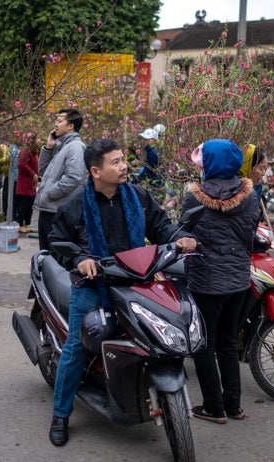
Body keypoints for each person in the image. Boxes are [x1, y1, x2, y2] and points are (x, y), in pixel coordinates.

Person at [46, 138, 197, 446]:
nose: (124, 166)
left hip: (136, 281)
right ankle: (60, 415)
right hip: (93, 286)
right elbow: (58, 240)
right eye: (115, 162)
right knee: (76, 347)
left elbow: (161, 227)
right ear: (95, 171)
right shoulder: (75, 205)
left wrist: (180, 238)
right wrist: (80, 259)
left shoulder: (139, 196)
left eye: (123, 160)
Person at [183, 139, 260, 423]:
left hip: (206, 280)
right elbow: (251, 231)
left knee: (205, 343)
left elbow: (183, 231)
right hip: (239, 280)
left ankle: (214, 408)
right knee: (228, 341)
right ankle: (234, 406)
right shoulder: (250, 195)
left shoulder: (195, 197)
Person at [33, 108, 86, 248]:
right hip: (48, 210)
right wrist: (49, 148)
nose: (55, 124)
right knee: (45, 255)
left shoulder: (75, 147)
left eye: (59, 120)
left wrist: (51, 193)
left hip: (58, 212)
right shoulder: (60, 147)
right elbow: (42, 171)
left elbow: (74, 178)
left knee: (56, 257)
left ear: (70, 126)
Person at [15, 134, 39, 233]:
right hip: (25, 184)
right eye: (38, 139)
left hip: (31, 185)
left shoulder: (34, 153)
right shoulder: (25, 151)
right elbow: (21, 164)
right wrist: (32, 173)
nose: (39, 141)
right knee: (23, 205)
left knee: (30, 205)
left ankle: (27, 224)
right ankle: (20, 224)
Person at [239, 144, 269, 223]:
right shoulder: (236, 189)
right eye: (261, 168)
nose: (263, 173)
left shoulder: (257, 187)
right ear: (249, 166)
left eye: (265, 169)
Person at [136, 127, 165, 200]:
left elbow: (148, 169)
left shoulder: (152, 153)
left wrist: (136, 180)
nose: (143, 141)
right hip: (157, 182)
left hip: (156, 184)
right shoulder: (154, 151)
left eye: (146, 139)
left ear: (152, 140)